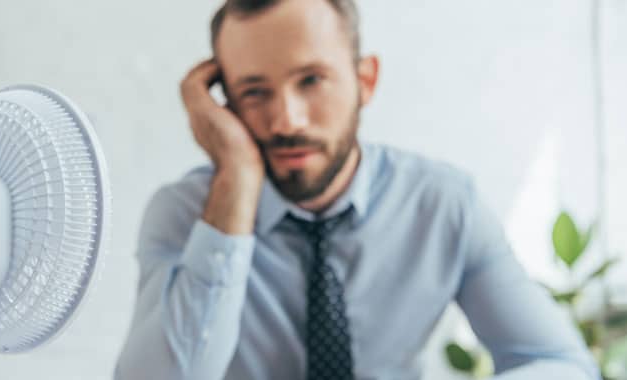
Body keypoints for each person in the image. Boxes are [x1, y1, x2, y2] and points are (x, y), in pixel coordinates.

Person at [115, 0, 600, 379]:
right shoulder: (185, 215)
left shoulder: (443, 204)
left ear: (364, 81)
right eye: (254, 92)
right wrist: (237, 179)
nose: (287, 120)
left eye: (312, 80)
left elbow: (566, 367)